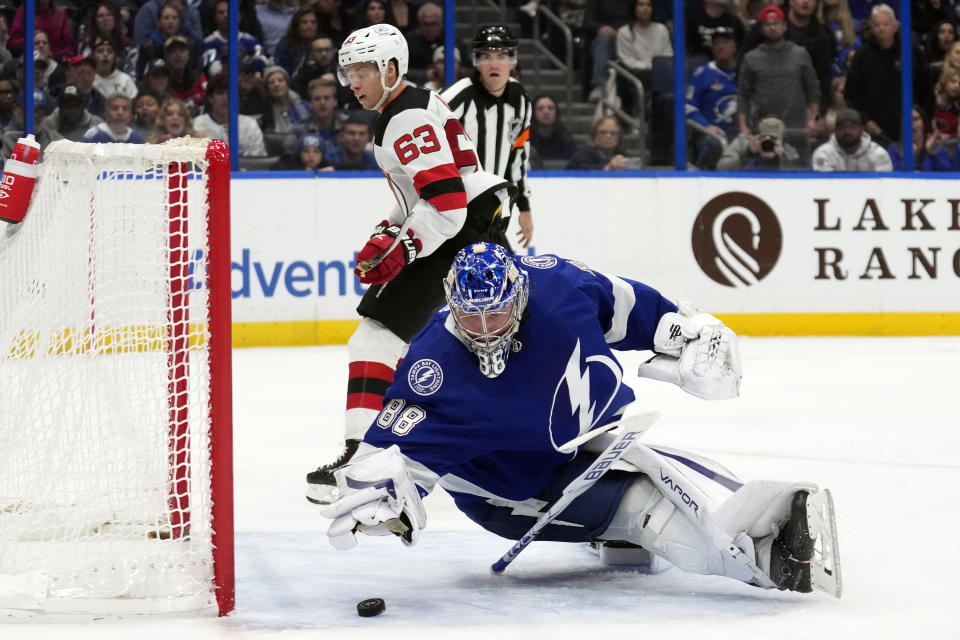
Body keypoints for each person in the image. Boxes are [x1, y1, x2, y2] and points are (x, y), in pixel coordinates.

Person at [316, 242, 843, 601]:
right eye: (469, 314)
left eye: (494, 313)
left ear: (518, 294)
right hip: (512, 493)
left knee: (658, 465)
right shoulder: (434, 368)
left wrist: (684, 330)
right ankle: (769, 559)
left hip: (577, 444)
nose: (481, 328)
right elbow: (392, 453)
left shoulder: (557, 284)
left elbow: (628, 307)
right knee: (647, 505)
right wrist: (383, 488)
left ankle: (617, 542)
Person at [305, 23, 520, 506]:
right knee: (486, 345)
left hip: (458, 228)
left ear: (390, 68)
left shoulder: (403, 117)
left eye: (362, 69)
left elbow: (445, 203)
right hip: (476, 223)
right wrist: (390, 230)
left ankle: (364, 458)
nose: (352, 81)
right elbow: (426, 194)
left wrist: (403, 248)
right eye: (348, 72)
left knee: (376, 336)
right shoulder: (411, 105)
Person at [441, 24, 534, 250]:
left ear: (513, 62)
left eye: (501, 56)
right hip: (454, 209)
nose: (494, 64)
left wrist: (524, 207)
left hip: (492, 210)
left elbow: (518, 156)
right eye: (486, 56)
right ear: (476, 62)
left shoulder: (520, 100)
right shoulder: (455, 98)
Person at [737, 6, 820, 162]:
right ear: (761, 28)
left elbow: (813, 89)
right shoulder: (751, 58)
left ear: (784, 26)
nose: (772, 27)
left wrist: (813, 119)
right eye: (767, 24)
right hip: (764, 129)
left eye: (776, 23)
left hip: (796, 129)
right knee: (766, 172)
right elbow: (743, 94)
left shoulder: (800, 53)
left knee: (798, 172)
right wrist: (743, 125)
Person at [843, 4, 932, 147]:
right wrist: (865, 120)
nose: (881, 28)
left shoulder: (911, 52)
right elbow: (851, 94)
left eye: (886, 24)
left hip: (910, 128)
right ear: (871, 28)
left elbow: (926, 89)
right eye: (877, 24)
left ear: (896, 26)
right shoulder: (862, 56)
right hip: (875, 131)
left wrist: (923, 121)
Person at [685, 27, 739, 170]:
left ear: (734, 46)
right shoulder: (703, 73)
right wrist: (706, 126)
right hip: (711, 134)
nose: (720, 46)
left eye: (725, 42)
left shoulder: (745, 71)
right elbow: (689, 106)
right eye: (716, 43)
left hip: (740, 132)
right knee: (712, 144)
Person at [193, 73, 267, 157]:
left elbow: (258, 163)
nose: (225, 98)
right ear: (210, 98)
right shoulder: (197, 125)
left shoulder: (250, 125)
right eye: (220, 93)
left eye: (229, 94)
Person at [811, 107, 893, 171]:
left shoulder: (878, 153)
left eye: (852, 127)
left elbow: (884, 185)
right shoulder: (823, 153)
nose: (847, 131)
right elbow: (826, 185)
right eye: (842, 127)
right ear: (835, 130)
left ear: (861, 129)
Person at [718, 115, 804, 170]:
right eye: (767, 137)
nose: (770, 142)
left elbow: (799, 172)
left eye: (775, 138)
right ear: (759, 135)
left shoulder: (786, 147)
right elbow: (722, 167)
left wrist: (780, 157)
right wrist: (749, 153)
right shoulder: (743, 141)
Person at [886, 106, 952, 171]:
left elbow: (945, 178)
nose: (910, 123)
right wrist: (911, 157)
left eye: (915, 119)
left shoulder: (937, 150)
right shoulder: (894, 149)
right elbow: (894, 176)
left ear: (924, 124)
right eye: (906, 119)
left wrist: (923, 152)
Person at [566, 115, 641, 170]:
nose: (608, 136)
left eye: (613, 133)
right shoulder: (581, 156)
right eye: (602, 132)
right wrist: (608, 168)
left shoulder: (623, 157)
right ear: (594, 135)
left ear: (619, 137)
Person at [529, 94, 577, 165]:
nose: (546, 112)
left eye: (550, 108)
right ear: (533, 113)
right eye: (540, 108)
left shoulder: (566, 139)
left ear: (556, 112)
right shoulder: (525, 140)